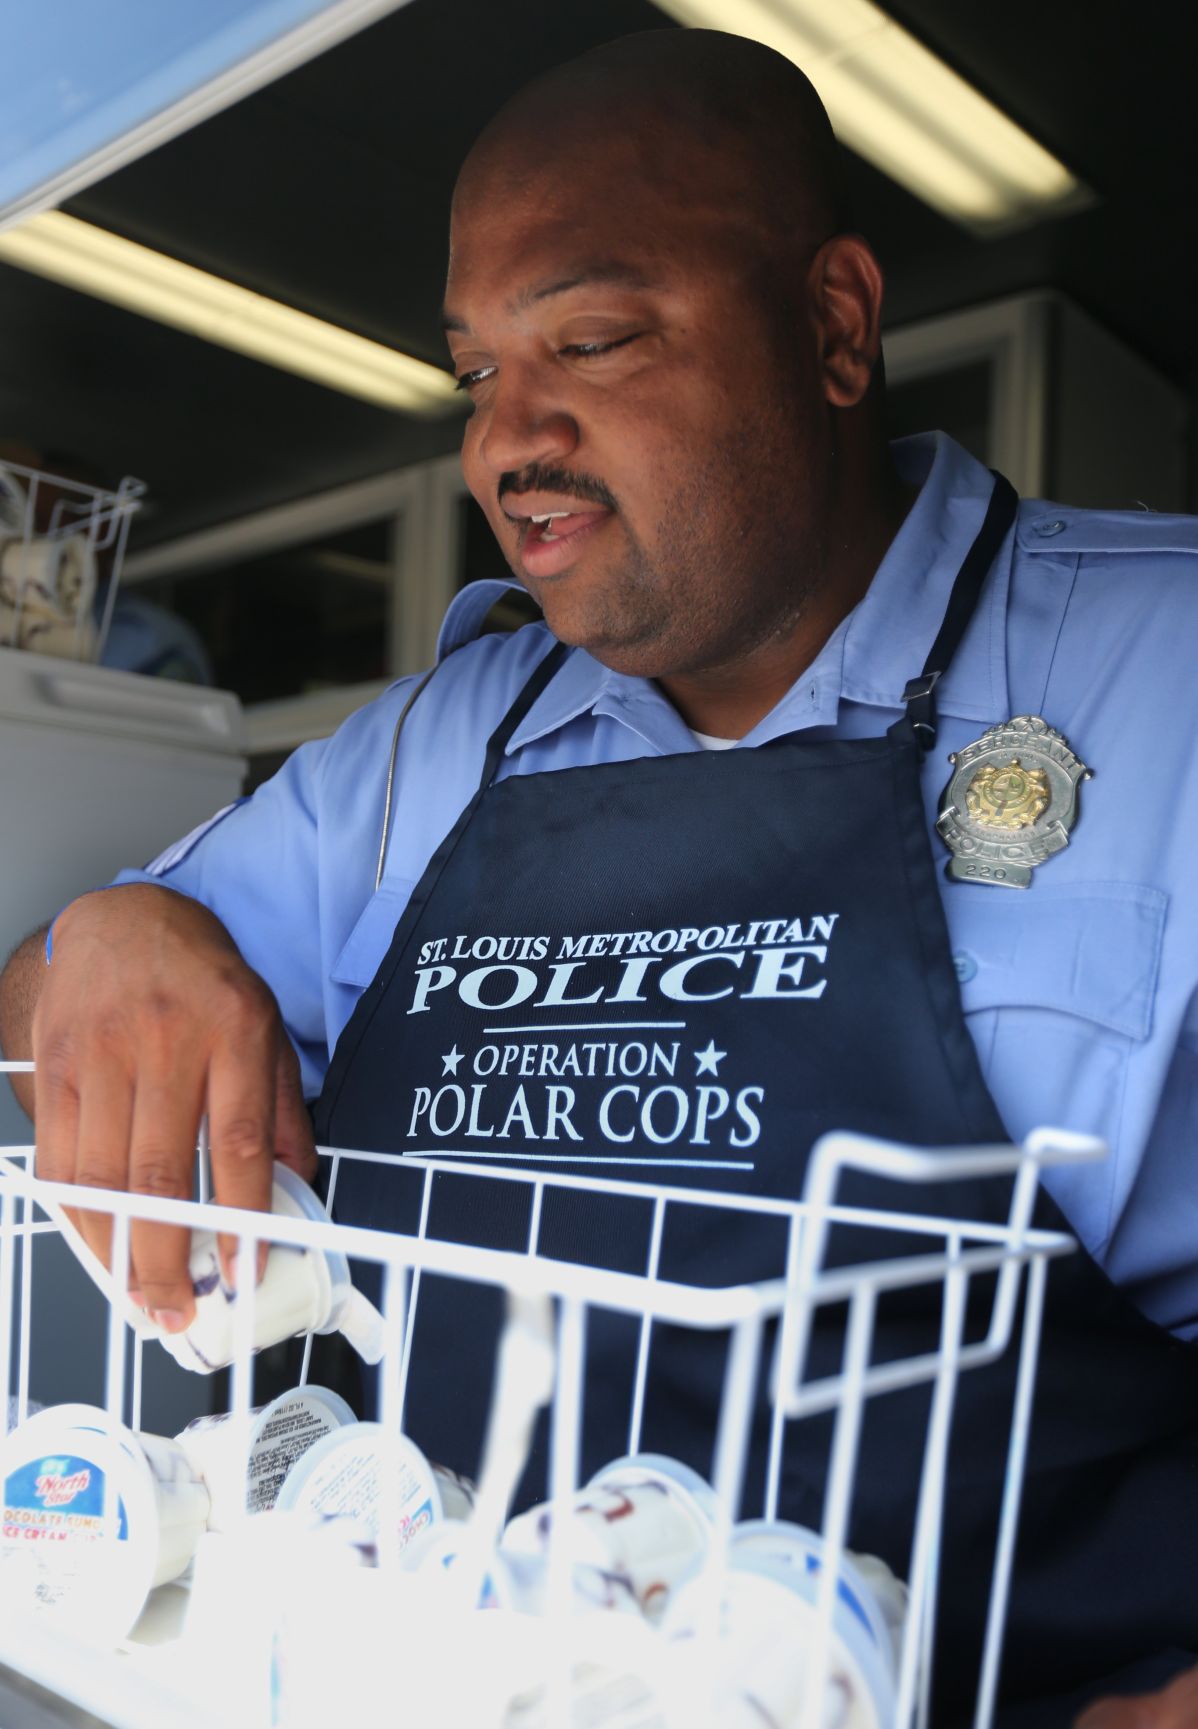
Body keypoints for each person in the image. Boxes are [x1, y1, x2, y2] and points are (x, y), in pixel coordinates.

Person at [3, 29, 1198, 1727]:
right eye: (477, 370)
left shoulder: (1168, 671)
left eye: (591, 339)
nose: (508, 442)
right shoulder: (435, 748)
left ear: (834, 326)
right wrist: (116, 929)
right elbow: (45, 1009)